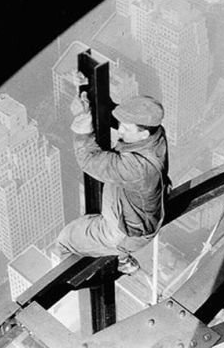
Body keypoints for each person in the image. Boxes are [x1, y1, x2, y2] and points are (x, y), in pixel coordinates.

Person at [55, 89, 170, 274]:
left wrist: (82, 123)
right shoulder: (154, 133)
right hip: (135, 211)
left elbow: (88, 160)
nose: (120, 130)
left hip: (125, 232)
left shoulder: (138, 167)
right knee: (108, 197)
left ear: (143, 135)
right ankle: (122, 257)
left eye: (126, 128)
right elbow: (121, 120)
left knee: (64, 240)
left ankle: (105, 265)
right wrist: (86, 90)